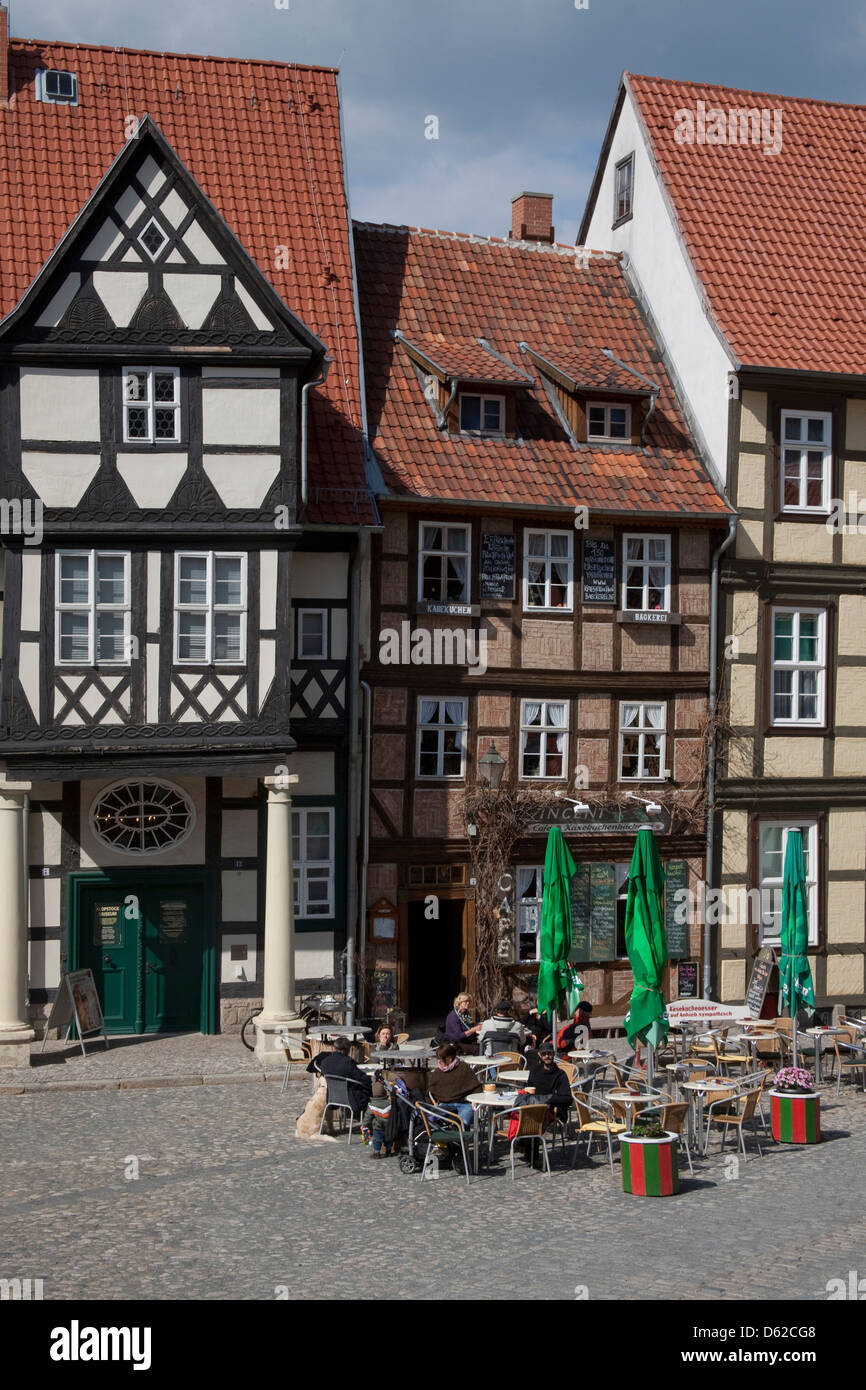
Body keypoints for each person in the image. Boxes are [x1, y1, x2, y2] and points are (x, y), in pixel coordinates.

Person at [306, 1036, 371, 1115]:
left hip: (332, 1098)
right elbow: (363, 1079)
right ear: (348, 1050)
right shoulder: (348, 1062)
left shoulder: (325, 1061)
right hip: (350, 1099)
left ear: (334, 1048)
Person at [427, 1042, 479, 1128]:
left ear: (449, 1058)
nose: (439, 1061)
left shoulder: (463, 1068)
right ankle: (446, 1140)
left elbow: (476, 1086)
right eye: (438, 1058)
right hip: (445, 1104)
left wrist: (474, 1100)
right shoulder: (437, 1073)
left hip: (464, 1103)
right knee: (436, 1122)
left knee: (463, 1123)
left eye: (441, 1059)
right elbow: (430, 1091)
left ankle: (460, 1140)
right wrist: (433, 1103)